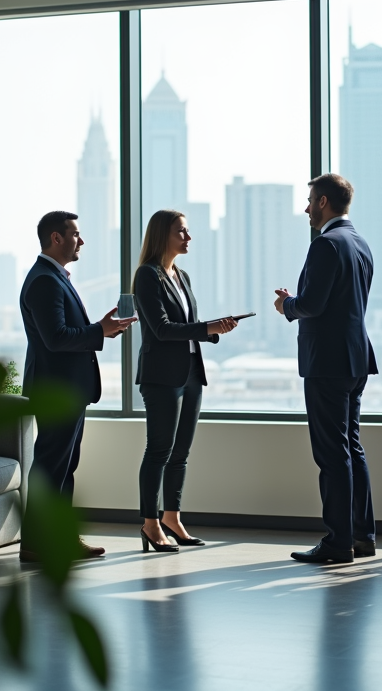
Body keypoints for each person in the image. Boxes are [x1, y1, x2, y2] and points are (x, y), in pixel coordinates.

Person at [19, 211, 136, 561]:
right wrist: (99, 330)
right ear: (56, 238)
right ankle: (38, 543)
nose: (81, 241)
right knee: (51, 466)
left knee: (64, 466)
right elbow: (55, 339)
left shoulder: (55, 277)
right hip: (57, 392)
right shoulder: (44, 280)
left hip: (67, 389)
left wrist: (101, 330)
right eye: (75, 234)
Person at [274, 173, 378, 564]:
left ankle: (338, 543)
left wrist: (287, 305)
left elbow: (314, 305)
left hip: (327, 362)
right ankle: (362, 535)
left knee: (332, 454)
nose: (305, 209)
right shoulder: (360, 244)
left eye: (309, 201)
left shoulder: (325, 245)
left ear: (322, 203)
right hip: (355, 358)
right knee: (351, 446)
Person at [133, 210, 238, 553]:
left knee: (181, 452)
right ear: (163, 235)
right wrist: (207, 328)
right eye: (182, 232)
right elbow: (162, 329)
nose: (188, 238)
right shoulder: (147, 276)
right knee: (159, 450)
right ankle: (150, 523)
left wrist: (213, 331)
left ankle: (172, 517)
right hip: (161, 376)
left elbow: (188, 325)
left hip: (191, 370)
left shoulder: (182, 275)